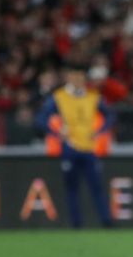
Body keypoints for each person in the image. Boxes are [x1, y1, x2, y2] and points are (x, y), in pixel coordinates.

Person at [36, 63, 114, 228]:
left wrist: (100, 130)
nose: (78, 80)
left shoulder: (93, 96)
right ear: (68, 78)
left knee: (97, 186)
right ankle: (76, 223)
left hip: (89, 148)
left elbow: (110, 116)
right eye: (74, 76)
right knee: (72, 188)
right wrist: (57, 133)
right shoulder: (59, 97)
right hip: (69, 147)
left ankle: (106, 221)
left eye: (80, 76)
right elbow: (41, 119)